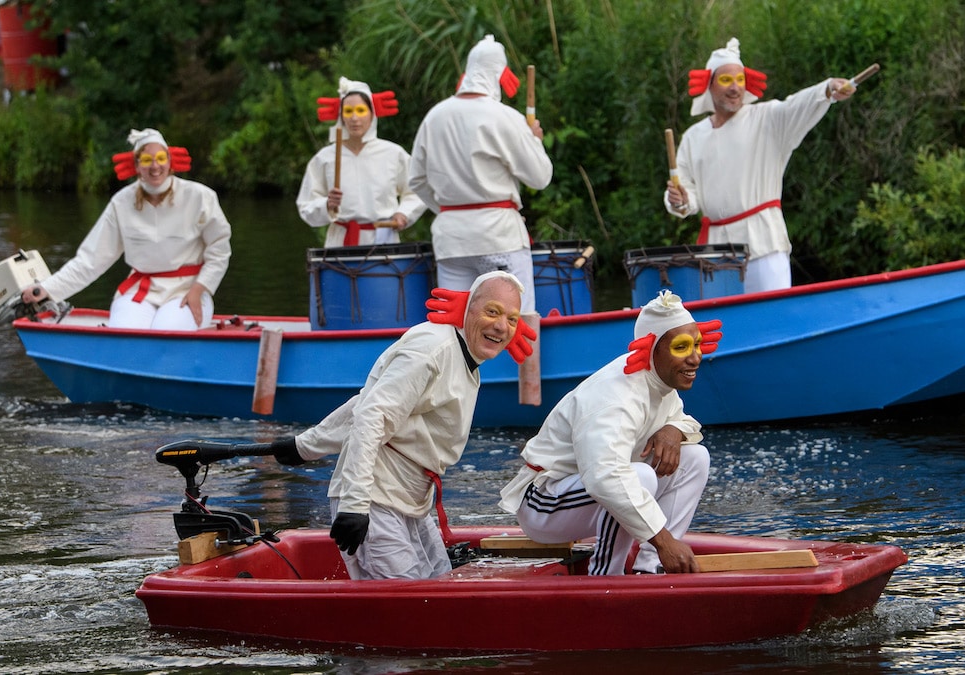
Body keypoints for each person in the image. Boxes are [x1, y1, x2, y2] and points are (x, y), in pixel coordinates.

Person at [269, 271, 536, 580]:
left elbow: (365, 401)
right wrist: (355, 506)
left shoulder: (465, 358)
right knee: (409, 603)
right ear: (468, 309)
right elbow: (372, 416)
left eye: (512, 319)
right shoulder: (433, 351)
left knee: (440, 586)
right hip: (375, 497)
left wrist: (307, 446)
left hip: (412, 501)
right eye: (492, 311)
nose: (502, 326)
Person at [498, 291, 722, 575]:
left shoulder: (660, 380)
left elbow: (683, 419)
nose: (695, 358)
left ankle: (652, 567)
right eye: (682, 347)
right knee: (634, 478)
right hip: (544, 504)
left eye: (697, 345)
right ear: (652, 349)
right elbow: (605, 478)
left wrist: (674, 429)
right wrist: (665, 541)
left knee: (695, 457)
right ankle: (606, 577)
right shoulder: (616, 397)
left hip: (581, 493)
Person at [665, 38, 857, 293]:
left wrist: (827, 90)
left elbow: (797, 105)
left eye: (740, 80)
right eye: (726, 80)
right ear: (709, 84)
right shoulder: (693, 136)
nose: (735, 88)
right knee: (726, 324)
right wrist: (678, 200)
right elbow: (688, 194)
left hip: (764, 244)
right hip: (716, 254)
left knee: (772, 316)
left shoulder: (768, 119)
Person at [20, 128, 232, 331]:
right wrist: (47, 289)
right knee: (125, 333)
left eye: (160, 158)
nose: (155, 166)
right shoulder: (121, 203)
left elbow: (219, 250)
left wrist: (200, 288)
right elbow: (91, 260)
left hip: (187, 289)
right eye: (147, 160)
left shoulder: (200, 196)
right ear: (137, 166)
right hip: (141, 291)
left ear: (170, 161)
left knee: (166, 331)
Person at [409, 34, 553, 317]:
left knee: (459, 325)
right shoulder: (504, 117)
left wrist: (448, 210)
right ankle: (526, 364)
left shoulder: (434, 116)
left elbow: (416, 180)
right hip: (499, 237)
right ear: (499, 73)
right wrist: (533, 141)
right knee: (518, 321)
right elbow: (540, 177)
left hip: (451, 239)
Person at [296, 77, 426, 247]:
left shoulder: (393, 154)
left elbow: (417, 189)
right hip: (340, 242)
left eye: (360, 110)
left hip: (383, 239)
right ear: (341, 116)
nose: (354, 118)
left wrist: (404, 213)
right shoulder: (325, 158)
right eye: (349, 111)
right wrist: (327, 204)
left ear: (372, 113)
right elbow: (306, 205)